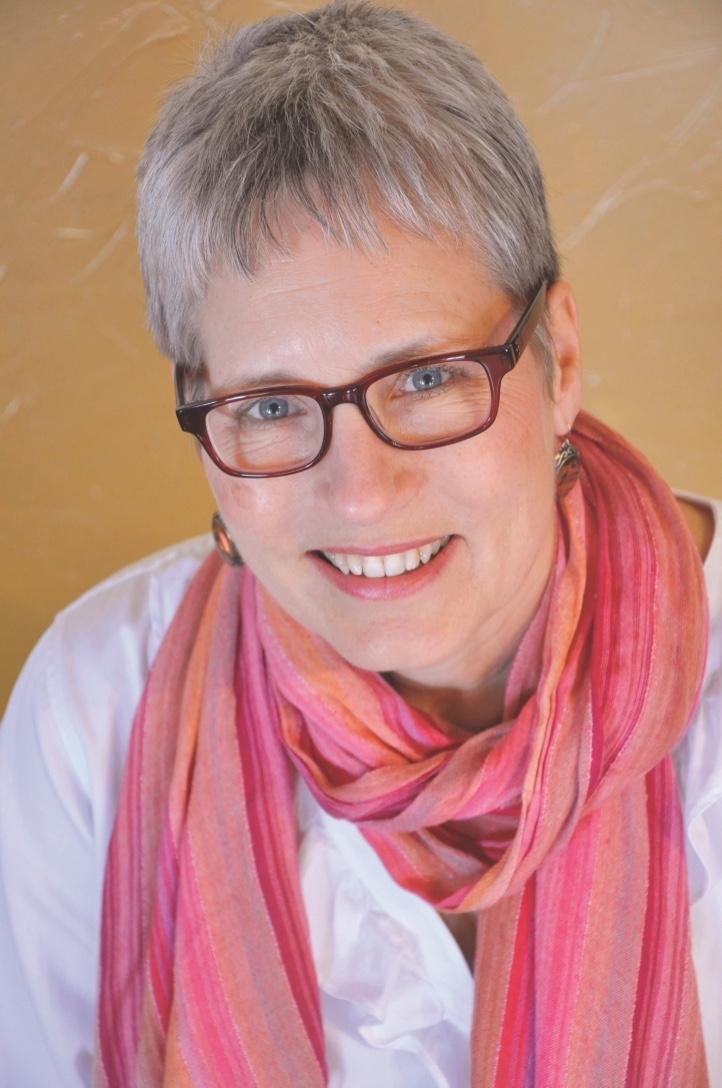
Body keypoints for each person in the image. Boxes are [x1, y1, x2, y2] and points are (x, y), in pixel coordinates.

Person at [1, 2, 719, 1085]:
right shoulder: (92, 707)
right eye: (270, 404)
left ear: (558, 362)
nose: (363, 494)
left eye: (425, 377)